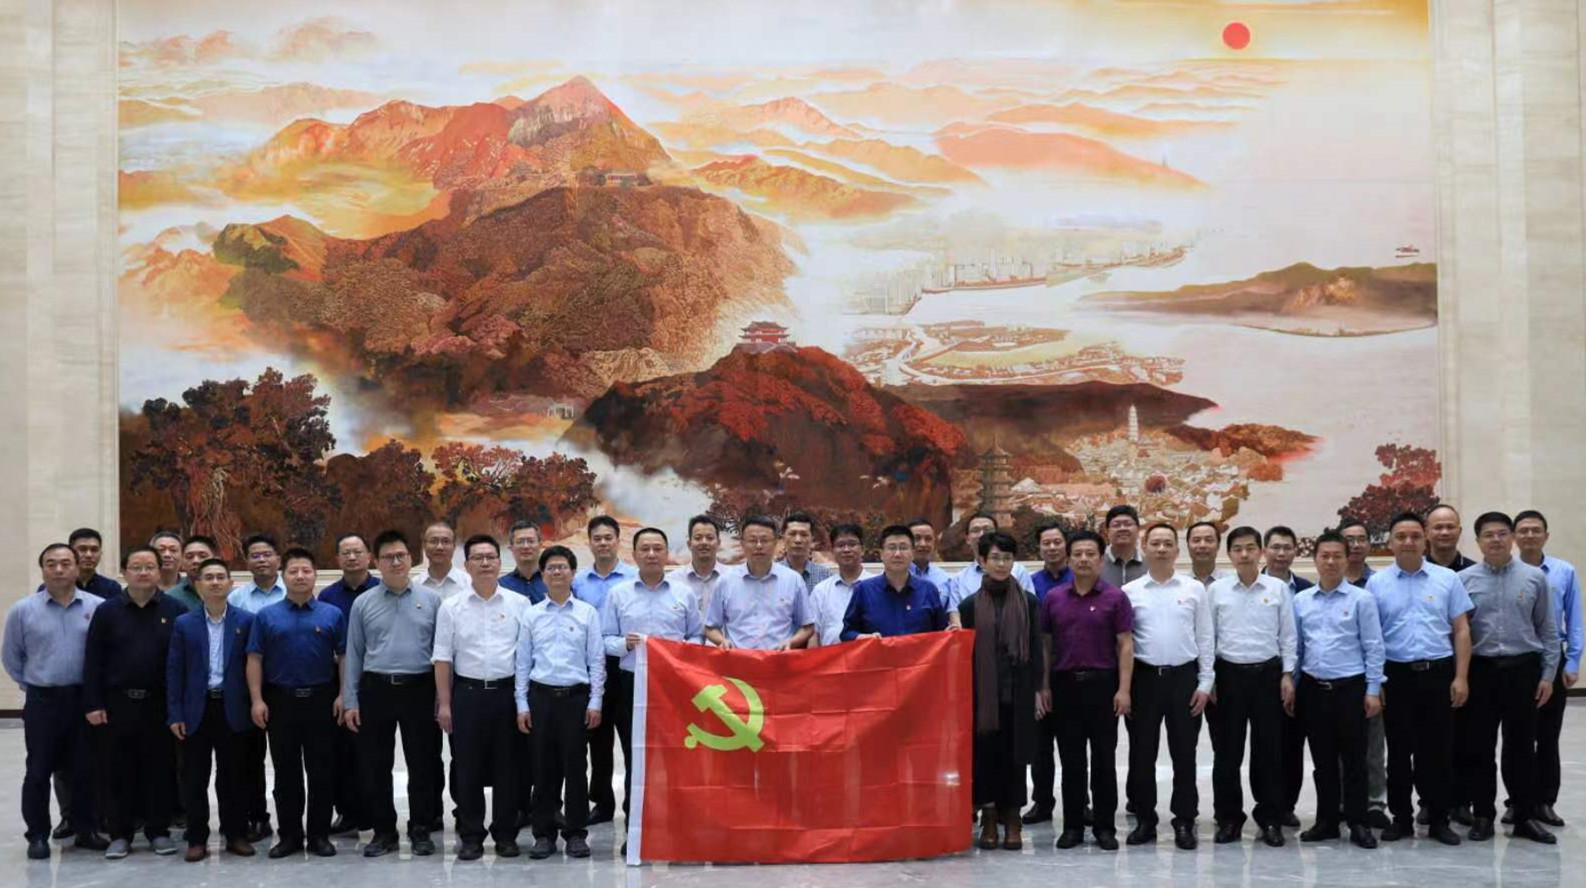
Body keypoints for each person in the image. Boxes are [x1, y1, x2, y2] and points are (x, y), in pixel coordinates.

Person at [1365, 512, 1470, 845]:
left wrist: (1461, 677)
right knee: (1398, 753)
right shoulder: (1376, 583)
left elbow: (1461, 629)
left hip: (1438, 673)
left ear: (1425, 539)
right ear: (1390, 542)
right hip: (1395, 676)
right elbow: (1372, 638)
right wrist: (1376, 683)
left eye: (1414, 536)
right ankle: (1401, 819)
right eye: (1401, 536)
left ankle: (1439, 819)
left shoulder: (1447, 579)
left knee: (1437, 751)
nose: (1408, 542)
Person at [1457, 511, 1558, 844]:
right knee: (1479, 747)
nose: (1496, 540)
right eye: (1488, 535)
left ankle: (1525, 816)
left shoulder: (1535, 578)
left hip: (1523, 670)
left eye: (1502, 533)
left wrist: (1547, 675)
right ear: (1478, 541)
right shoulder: (1464, 580)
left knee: (1521, 747)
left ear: (1512, 537)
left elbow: (1548, 629)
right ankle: (1483, 815)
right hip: (1481, 671)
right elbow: (1457, 631)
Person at [340, 528, 442, 857]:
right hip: (376, 689)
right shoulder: (363, 603)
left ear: (411, 559)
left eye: (401, 556)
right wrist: (351, 699)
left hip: (420, 689)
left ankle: (421, 827)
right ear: (376, 562)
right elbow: (354, 654)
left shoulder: (432, 600)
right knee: (375, 765)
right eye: (388, 557)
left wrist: (442, 698)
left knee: (422, 763)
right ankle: (384, 832)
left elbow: (441, 654)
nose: (395, 562)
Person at [4, 543, 109, 859]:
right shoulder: (23, 610)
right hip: (43, 701)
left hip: (84, 700)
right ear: (43, 569)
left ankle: (86, 829)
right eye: (51, 564)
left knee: (85, 769)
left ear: (77, 568)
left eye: (65, 563)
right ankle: (37, 834)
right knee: (38, 771)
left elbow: (106, 655)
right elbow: (12, 657)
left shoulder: (98, 607)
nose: (59, 569)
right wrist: (33, 685)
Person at [83, 544, 188, 858]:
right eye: (136, 567)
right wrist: (93, 703)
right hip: (117, 704)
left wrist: (178, 707)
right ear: (124, 572)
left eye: (149, 567)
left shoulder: (175, 610)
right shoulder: (107, 611)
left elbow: (183, 663)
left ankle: (158, 831)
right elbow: (93, 661)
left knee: (160, 769)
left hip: (160, 704)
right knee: (117, 770)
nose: (143, 573)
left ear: (159, 571)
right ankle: (120, 833)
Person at [246, 547, 346, 859]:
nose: (300, 576)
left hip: (321, 700)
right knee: (285, 772)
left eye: (306, 570)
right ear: (284, 576)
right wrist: (257, 699)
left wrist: (344, 694)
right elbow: (254, 658)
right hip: (281, 702)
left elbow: (344, 656)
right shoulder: (267, 616)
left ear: (315, 575)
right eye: (293, 571)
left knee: (322, 772)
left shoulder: (332, 614)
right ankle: (289, 835)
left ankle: (319, 836)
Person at [1122, 521, 1214, 851]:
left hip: (1184, 680)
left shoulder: (1194, 589)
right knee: (1141, 754)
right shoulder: (1130, 592)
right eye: (1155, 543)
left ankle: (1185, 819)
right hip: (1144, 681)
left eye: (1167, 543)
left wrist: (1206, 682)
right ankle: (1145, 819)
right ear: (1144, 549)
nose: (1161, 549)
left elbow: (1205, 636)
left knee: (1184, 754)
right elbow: (1124, 643)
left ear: (1177, 550)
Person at [601, 528, 703, 825]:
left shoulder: (683, 593)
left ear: (666, 554)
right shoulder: (619, 594)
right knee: (636, 754)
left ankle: (675, 822)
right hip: (632, 684)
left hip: (674, 685)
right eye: (644, 549)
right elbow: (605, 639)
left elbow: (697, 636)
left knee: (675, 753)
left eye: (657, 548)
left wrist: (681, 651)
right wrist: (624, 644)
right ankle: (636, 828)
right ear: (633, 555)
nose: (651, 554)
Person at [436, 534, 527, 861]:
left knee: (509, 768)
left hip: (507, 695)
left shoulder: (519, 604)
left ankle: (506, 835)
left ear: (500, 563)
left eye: (491, 557)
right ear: (467, 565)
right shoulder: (451, 607)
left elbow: (526, 657)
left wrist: (523, 702)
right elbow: (442, 658)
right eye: (478, 558)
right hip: (467, 696)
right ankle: (471, 835)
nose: (485, 563)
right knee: (467, 768)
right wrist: (445, 704)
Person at [1039, 529, 1132, 850]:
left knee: (1104, 760)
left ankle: (1105, 828)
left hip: (1103, 686)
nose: (1083, 559)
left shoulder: (1115, 598)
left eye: (1090, 554)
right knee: (1072, 761)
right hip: (1065, 686)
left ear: (1101, 559)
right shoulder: (1054, 598)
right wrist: (1044, 686)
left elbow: (1125, 644)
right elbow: (1046, 645)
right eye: (1077, 554)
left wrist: (1124, 689)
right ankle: (1073, 827)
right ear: (1068, 559)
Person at [1291, 532, 1383, 849]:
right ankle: (1327, 821)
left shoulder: (1362, 599)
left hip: (1351, 689)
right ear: (1315, 559)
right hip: (1313, 689)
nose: (1331, 562)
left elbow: (1374, 646)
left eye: (1337, 556)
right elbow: (1298, 648)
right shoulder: (1301, 601)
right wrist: (1292, 683)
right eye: (1325, 556)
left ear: (1346, 559)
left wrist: (1373, 689)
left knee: (1355, 760)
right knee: (1323, 761)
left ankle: (1359, 822)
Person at [1206, 526, 1297, 847]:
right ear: (1229, 554)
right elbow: (1207, 637)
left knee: (1268, 752)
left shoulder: (1278, 588)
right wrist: (1209, 678)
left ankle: (1270, 818)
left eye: (1249, 548)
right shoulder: (1216, 590)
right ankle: (1229, 818)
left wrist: (1287, 674)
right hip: (1227, 675)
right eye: (1237, 549)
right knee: (1227, 753)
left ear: (1260, 552)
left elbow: (1288, 635)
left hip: (1268, 676)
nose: (1244, 554)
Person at [516, 546, 606, 860]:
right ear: (543, 575)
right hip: (540, 699)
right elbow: (522, 663)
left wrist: (596, 701)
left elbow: (596, 661)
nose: (557, 572)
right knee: (542, 771)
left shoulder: (587, 613)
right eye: (551, 568)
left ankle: (576, 834)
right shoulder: (531, 614)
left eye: (563, 567)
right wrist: (522, 704)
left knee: (576, 769)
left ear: (572, 573)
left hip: (575, 700)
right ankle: (544, 834)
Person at [167, 558, 256, 861]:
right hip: (196, 709)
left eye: (221, 577)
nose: (215, 582)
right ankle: (196, 839)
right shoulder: (184, 623)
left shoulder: (246, 621)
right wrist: (175, 713)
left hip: (233, 708)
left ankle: (236, 834)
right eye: (209, 577)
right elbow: (174, 671)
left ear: (231, 583)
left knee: (233, 777)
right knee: (194, 778)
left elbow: (255, 666)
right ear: (198, 585)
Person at [958, 532, 1042, 852]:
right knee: (985, 758)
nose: (1001, 564)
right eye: (995, 557)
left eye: (1007, 558)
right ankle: (990, 817)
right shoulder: (968, 606)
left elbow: (1036, 649)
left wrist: (1038, 690)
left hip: (1018, 692)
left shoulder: (1029, 602)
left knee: (1015, 757)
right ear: (982, 561)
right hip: (983, 697)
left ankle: (1013, 817)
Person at [1514, 509, 1581, 828]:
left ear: (1546, 535)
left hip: (1553, 659)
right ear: (1515, 537)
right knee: (1517, 737)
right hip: (1518, 662)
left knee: (1547, 736)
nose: (1529, 535)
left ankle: (1545, 801)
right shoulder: (1507, 571)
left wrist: (1573, 660)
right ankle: (1518, 802)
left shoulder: (1564, 571)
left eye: (1535, 530)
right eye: (1523, 530)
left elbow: (1574, 617)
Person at [572, 515, 635, 825]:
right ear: (590, 543)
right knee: (597, 739)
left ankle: (633, 804)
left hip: (625, 664)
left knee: (630, 737)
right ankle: (602, 802)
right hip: (591, 667)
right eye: (597, 538)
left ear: (618, 540)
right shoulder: (578, 582)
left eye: (608, 537)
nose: (603, 543)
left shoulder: (634, 577)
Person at [316, 532, 379, 837]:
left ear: (369, 557)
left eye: (357, 551)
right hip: (339, 682)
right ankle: (347, 812)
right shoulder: (327, 597)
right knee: (341, 751)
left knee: (372, 751)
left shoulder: (381, 590)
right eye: (346, 552)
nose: (352, 557)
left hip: (375, 680)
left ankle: (374, 812)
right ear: (337, 559)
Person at [226, 532, 285, 844]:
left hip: (285, 687)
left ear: (278, 559)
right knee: (250, 759)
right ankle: (257, 817)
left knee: (287, 759)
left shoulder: (293, 590)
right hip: (249, 690)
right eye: (255, 555)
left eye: (267, 554)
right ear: (247, 562)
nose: (261, 560)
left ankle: (293, 821)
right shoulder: (236, 598)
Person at [1337, 516, 1390, 828]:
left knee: (1372, 746)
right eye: (1349, 540)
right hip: (1337, 678)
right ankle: (1342, 802)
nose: (1355, 545)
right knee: (1338, 747)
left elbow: (1380, 637)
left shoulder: (1380, 584)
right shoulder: (1329, 582)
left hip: (1370, 677)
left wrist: (1376, 680)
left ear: (1370, 544)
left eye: (1361, 539)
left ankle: (1374, 804)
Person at [1262, 525, 1312, 830]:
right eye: (1275, 547)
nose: (1281, 553)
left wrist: (1294, 675)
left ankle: (1286, 806)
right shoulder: (1252, 584)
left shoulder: (1307, 590)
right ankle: (1266, 804)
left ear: (1296, 552)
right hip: (1262, 678)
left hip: (1299, 678)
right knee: (1266, 746)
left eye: (1287, 548)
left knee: (1293, 746)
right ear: (1265, 551)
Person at [1024, 522, 1072, 826]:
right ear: (1039, 548)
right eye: (1046, 543)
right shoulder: (1030, 584)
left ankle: (1080, 803)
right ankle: (1042, 802)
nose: (1052, 548)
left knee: (1073, 744)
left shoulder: (1081, 578)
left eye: (1057, 542)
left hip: (1072, 671)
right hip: (1039, 672)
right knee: (1040, 746)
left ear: (1066, 545)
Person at [705, 516, 814, 651]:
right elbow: (710, 627)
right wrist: (723, 641)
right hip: (739, 658)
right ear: (742, 543)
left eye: (765, 540)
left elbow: (807, 626)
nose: (759, 546)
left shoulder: (793, 580)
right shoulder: (726, 581)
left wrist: (791, 643)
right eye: (752, 540)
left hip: (779, 658)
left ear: (776, 543)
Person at [841, 525, 954, 639]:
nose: (897, 554)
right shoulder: (864, 590)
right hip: (878, 651)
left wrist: (952, 632)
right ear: (881, 554)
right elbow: (847, 633)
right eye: (892, 548)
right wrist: (861, 637)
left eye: (903, 548)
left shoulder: (928, 590)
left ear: (912, 553)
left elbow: (941, 634)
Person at [948, 513, 1033, 609]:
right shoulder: (959, 580)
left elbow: (1029, 607)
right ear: (967, 539)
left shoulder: (1018, 571)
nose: (982, 535)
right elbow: (955, 613)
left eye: (988, 529)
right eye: (975, 530)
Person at [808, 524, 871, 646]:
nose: (846, 550)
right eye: (840, 545)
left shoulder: (877, 585)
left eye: (852, 544)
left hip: (867, 655)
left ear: (862, 549)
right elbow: (814, 634)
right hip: (830, 656)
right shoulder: (821, 590)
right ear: (832, 551)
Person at [669, 515, 727, 618]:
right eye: (698, 538)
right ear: (689, 544)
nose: (704, 542)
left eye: (710, 538)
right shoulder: (673, 581)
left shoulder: (732, 578)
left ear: (718, 543)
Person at [776, 512, 834, 591]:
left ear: (812, 539)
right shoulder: (773, 575)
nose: (798, 540)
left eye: (804, 535)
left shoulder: (824, 576)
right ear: (783, 538)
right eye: (792, 534)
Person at [162, 535, 217, 613]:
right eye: (189, 557)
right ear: (182, 563)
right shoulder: (170, 598)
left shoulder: (231, 596)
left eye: (202, 556)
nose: (196, 561)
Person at [66, 528, 123, 600]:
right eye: (82, 549)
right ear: (70, 552)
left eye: (94, 550)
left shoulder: (111, 587)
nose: (89, 555)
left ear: (101, 553)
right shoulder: (60, 585)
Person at [499, 522, 548, 603]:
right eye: (520, 542)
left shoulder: (555, 581)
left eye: (531, 541)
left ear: (540, 545)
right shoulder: (501, 585)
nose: (526, 546)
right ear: (511, 548)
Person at [1101, 505, 1147, 589]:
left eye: (1128, 524)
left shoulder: (1150, 566)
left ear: (1138, 529)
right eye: (1116, 525)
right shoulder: (1097, 564)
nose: (1122, 528)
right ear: (1107, 531)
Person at [907, 517, 954, 592]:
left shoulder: (945, 579)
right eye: (917, 538)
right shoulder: (894, 577)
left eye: (928, 539)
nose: (923, 544)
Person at [1426, 504, 1477, 572]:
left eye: (1450, 527)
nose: (1445, 532)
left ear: (1459, 531)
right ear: (1426, 532)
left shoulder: (1474, 572)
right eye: (1438, 527)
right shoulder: (1416, 569)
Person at [1187, 522, 1228, 589]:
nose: (1202, 545)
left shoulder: (1231, 584)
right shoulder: (1179, 586)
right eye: (1196, 540)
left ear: (1218, 546)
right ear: (1188, 546)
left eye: (1209, 540)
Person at [151, 531, 185, 596]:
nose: (167, 555)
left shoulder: (191, 587)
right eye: (161, 550)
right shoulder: (139, 586)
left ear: (183, 556)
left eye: (173, 550)